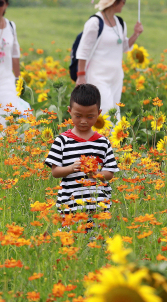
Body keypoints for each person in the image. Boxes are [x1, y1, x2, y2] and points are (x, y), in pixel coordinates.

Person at [44, 84, 118, 220]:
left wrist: (96, 174)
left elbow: (110, 173)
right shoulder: (62, 141)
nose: (83, 121)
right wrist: (72, 168)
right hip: (70, 207)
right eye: (78, 116)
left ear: (99, 114)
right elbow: (55, 172)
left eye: (90, 117)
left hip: (98, 206)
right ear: (70, 111)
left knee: (96, 239)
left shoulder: (103, 142)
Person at [74, 0, 143, 120]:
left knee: (115, 115)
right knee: (104, 113)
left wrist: (136, 34)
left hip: (116, 78)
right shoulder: (95, 23)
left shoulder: (120, 23)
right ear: (113, 2)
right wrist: (81, 75)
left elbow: (123, 47)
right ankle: (104, 140)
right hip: (98, 77)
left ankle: (112, 142)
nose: (124, 2)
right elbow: (83, 51)